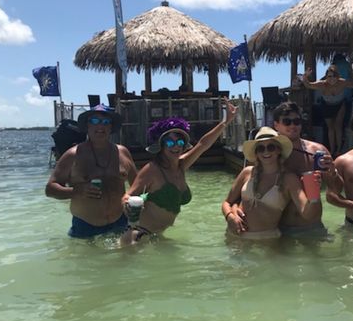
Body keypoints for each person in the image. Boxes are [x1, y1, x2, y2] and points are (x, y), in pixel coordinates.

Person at [120, 99, 237, 245]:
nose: (176, 146)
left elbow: (203, 144)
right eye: (169, 142)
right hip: (138, 236)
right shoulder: (152, 170)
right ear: (161, 146)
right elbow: (128, 195)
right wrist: (127, 203)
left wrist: (226, 121)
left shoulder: (181, 165)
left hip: (158, 236)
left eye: (180, 142)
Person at [45, 104, 137, 238]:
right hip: (85, 228)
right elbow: (50, 189)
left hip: (121, 222)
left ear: (111, 127)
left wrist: (131, 200)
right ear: (87, 126)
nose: (100, 126)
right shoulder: (73, 155)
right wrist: (77, 191)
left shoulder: (122, 152)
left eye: (106, 122)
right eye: (95, 121)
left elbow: (138, 185)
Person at [221, 127, 316, 239]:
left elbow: (307, 214)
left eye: (270, 147)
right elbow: (227, 202)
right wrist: (229, 216)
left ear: (278, 150)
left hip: (267, 244)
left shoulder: (289, 179)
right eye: (261, 148)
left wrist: (314, 191)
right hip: (233, 238)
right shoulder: (247, 172)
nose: (266, 152)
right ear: (256, 153)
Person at [272, 101, 338, 237]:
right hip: (282, 229)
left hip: (313, 226)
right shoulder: (268, 153)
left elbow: (336, 190)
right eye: (287, 121)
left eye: (297, 121)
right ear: (276, 125)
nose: (293, 125)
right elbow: (251, 191)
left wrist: (332, 171)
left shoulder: (317, 150)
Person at [301, 65, 353, 156]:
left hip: (340, 105)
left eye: (334, 76)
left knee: (338, 126)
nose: (332, 79)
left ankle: (338, 149)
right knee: (330, 128)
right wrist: (305, 76)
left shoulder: (342, 82)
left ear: (337, 76)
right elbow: (308, 85)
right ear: (326, 77)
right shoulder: (322, 84)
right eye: (329, 76)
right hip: (327, 106)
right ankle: (332, 150)